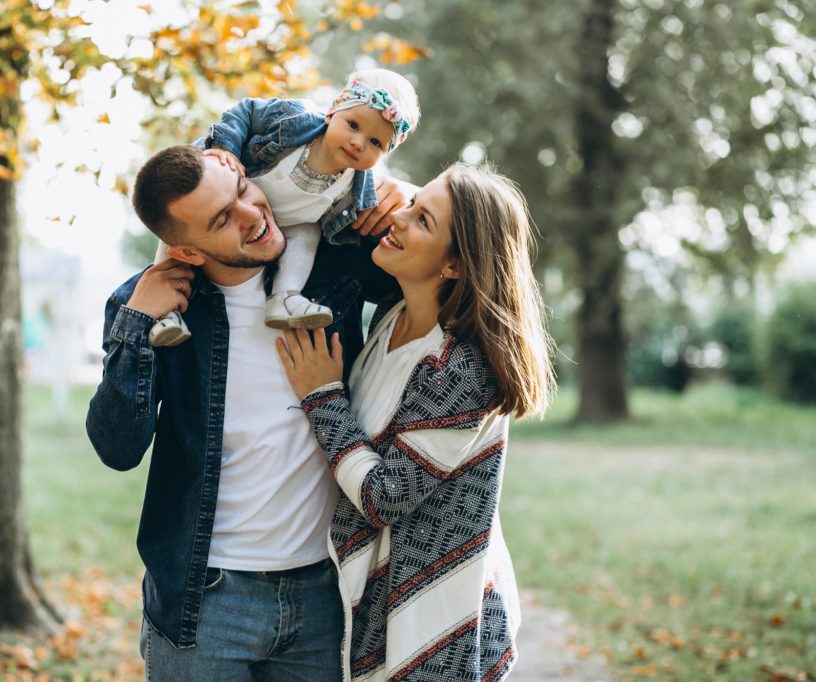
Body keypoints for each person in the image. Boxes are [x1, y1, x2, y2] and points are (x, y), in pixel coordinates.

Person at [85, 144, 405, 680]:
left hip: (325, 595)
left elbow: (434, 268)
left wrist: (394, 193)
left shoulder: (330, 271)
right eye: (222, 220)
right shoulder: (148, 305)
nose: (253, 214)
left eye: (241, 192)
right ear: (185, 251)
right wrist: (137, 321)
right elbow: (116, 447)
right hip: (206, 603)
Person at [276, 163, 557, 681]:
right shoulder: (390, 319)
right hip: (375, 603)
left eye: (422, 220)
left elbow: (386, 496)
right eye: (410, 206)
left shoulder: (461, 369)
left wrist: (321, 395)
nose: (398, 220)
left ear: (454, 264)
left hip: (434, 630)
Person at [148, 68, 420, 346]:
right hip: (238, 185)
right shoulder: (294, 120)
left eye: (375, 142)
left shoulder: (357, 189)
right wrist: (225, 148)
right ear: (332, 111)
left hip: (288, 222)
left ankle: (284, 296)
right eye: (353, 125)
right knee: (176, 233)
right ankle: (164, 312)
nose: (358, 142)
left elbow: (386, 221)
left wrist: (413, 199)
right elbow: (246, 111)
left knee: (307, 234)